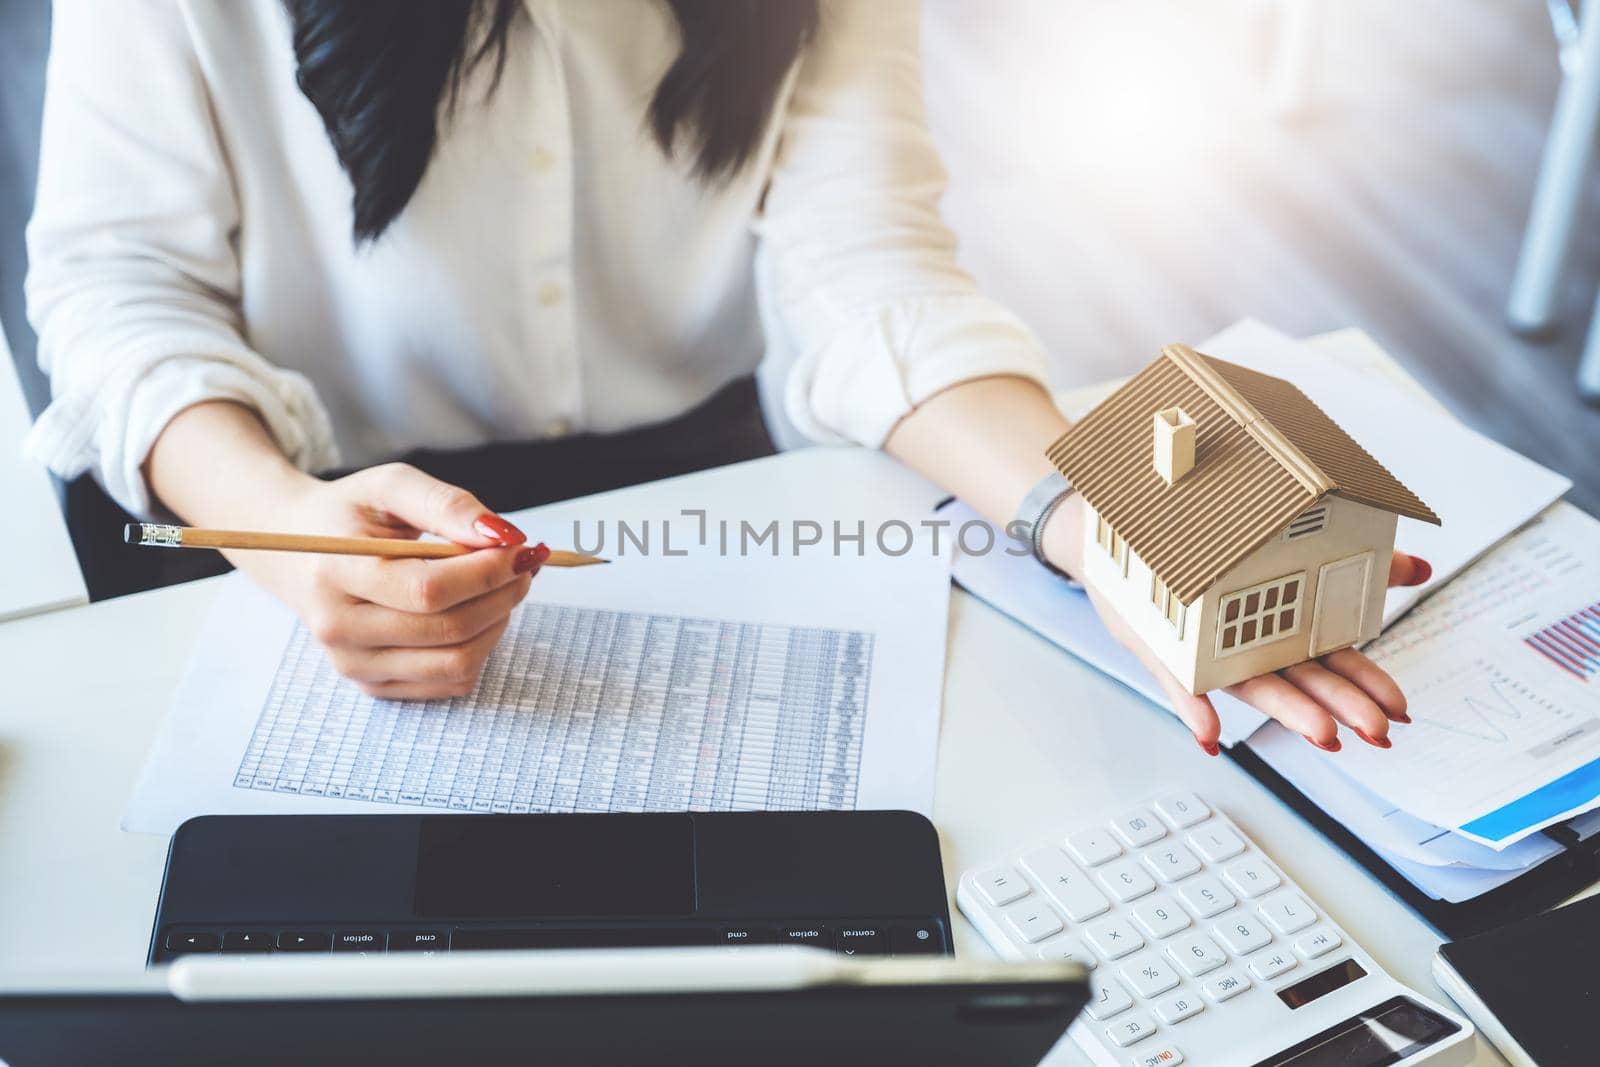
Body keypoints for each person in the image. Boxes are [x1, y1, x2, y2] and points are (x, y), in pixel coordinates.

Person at [25, 0, 1429, 748]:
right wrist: (279, 528)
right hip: (294, 495)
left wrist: (1095, 524)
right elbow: (114, 288)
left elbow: (869, 273)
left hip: (692, 462)